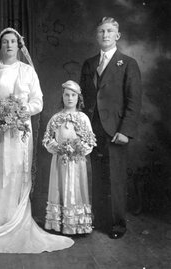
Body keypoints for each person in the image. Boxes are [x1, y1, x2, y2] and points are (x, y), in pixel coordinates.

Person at [0, 28, 74, 253]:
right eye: (5, 42)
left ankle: (15, 221)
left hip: (19, 132)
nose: (9, 45)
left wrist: (19, 110)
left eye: (13, 42)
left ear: (19, 46)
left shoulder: (27, 71)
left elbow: (38, 102)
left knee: (16, 173)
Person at [79, 17, 142, 239]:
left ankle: (117, 225)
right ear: (97, 36)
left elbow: (134, 101)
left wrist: (125, 131)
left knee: (115, 178)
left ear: (117, 36)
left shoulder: (127, 63)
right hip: (93, 129)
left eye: (109, 31)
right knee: (97, 176)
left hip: (116, 129)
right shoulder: (89, 64)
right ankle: (99, 219)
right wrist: (81, 126)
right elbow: (83, 98)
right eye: (101, 31)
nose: (105, 35)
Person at [42, 80, 96, 235]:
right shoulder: (56, 118)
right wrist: (58, 148)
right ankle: (58, 224)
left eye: (73, 95)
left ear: (78, 98)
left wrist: (78, 148)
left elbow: (89, 141)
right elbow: (47, 139)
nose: (70, 98)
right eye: (67, 95)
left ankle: (76, 225)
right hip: (59, 161)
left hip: (77, 162)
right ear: (62, 96)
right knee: (59, 187)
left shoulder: (83, 118)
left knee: (76, 188)